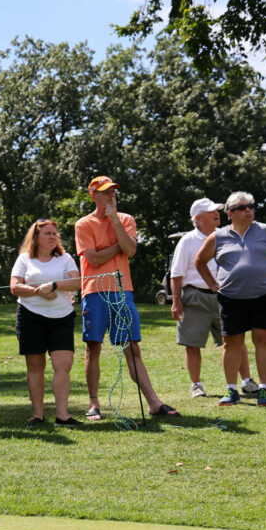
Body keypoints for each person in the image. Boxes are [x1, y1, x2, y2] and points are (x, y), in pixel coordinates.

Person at [75, 176, 177, 422]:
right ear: (93, 195)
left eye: (113, 191)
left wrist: (114, 222)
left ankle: (153, 402)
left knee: (132, 347)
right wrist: (118, 247)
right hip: (94, 290)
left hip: (122, 290)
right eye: (104, 191)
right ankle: (93, 403)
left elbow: (130, 251)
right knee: (93, 348)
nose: (110, 195)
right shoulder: (83, 224)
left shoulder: (126, 220)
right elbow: (94, 259)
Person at [195, 191, 266, 407]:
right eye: (242, 207)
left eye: (250, 205)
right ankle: (231, 391)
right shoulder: (218, 237)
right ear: (230, 213)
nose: (248, 209)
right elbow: (200, 261)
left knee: (263, 340)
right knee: (231, 343)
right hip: (231, 297)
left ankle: (264, 391)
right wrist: (212, 284)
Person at [170, 198, 259, 398]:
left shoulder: (228, 236)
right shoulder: (188, 241)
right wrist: (176, 302)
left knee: (236, 340)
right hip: (195, 297)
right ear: (198, 218)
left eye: (217, 210)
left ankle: (246, 381)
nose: (217, 213)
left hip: (226, 297)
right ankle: (196, 385)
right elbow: (176, 275)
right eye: (211, 211)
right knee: (192, 344)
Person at [10, 220, 82, 428]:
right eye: (47, 233)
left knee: (62, 365)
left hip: (62, 317)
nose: (53, 237)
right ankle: (38, 415)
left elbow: (78, 282)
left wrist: (54, 285)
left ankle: (62, 416)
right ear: (36, 238)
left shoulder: (65, 258)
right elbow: (14, 286)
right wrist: (37, 290)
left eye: (54, 233)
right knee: (35, 367)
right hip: (31, 317)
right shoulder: (24, 259)